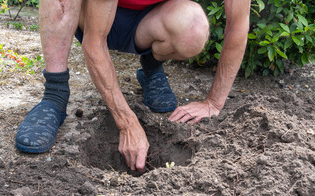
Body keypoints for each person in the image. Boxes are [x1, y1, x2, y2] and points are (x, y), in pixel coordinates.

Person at [15, 0, 251, 172]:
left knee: (193, 27)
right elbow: (94, 43)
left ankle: (151, 66)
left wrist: (214, 102)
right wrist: (127, 123)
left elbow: (238, 26)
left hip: (147, 22)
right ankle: (55, 94)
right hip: (87, 15)